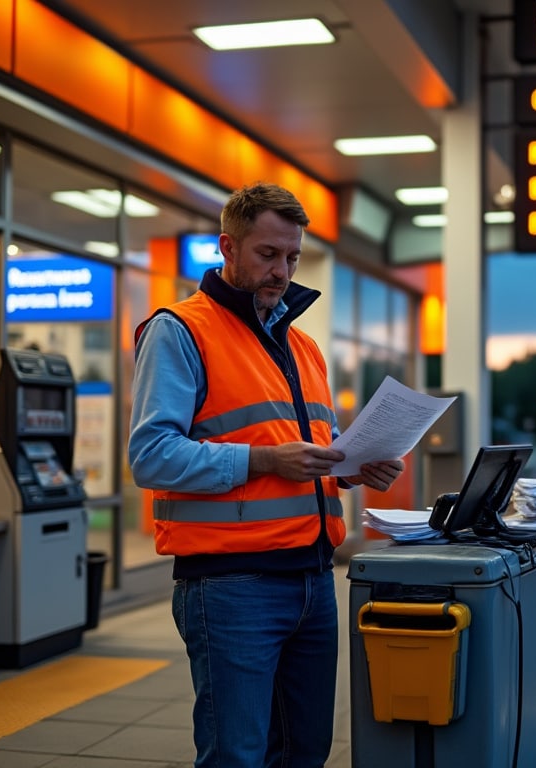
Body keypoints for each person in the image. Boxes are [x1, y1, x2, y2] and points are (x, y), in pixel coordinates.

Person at [128, 182, 404, 767]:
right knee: (238, 756)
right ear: (227, 247)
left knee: (305, 751)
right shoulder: (179, 330)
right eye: (268, 254)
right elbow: (150, 456)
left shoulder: (303, 346)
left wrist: (351, 468)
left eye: (292, 256)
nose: (282, 270)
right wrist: (262, 460)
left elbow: (305, 455)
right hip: (231, 585)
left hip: (312, 578)